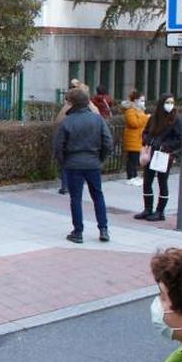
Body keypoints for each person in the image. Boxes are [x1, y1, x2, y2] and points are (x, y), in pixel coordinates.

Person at [53, 87, 112, 244]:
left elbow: (58, 147)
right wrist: (100, 159)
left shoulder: (67, 122)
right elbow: (108, 142)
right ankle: (103, 229)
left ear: (72, 103)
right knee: (98, 196)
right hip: (93, 163)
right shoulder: (97, 119)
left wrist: (64, 162)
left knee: (76, 198)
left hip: (73, 164)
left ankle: (78, 232)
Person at [135, 93, 182, 223]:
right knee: (147, 181)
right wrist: (146, 140)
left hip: (164, 154)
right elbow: (145, 131)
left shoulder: (175, 120)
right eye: (167, 102)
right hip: (151, 152)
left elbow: (179, 139)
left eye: (172, 102)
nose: (170, 105)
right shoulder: (154, 118)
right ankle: (148, 208)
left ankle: (160, 211)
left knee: (162, 182)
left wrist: (165, 146)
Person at [122, 90, 149, 187]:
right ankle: (130, 177)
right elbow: (134, 123)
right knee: (132, 159)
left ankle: (134, 175)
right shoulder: (130, 110)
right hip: (132, 138)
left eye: (144, 101)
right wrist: (145, 118)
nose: (143, 102)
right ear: (135, 100)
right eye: (141, 100)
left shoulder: (140, 110)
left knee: (135, 158)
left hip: (138, 138)